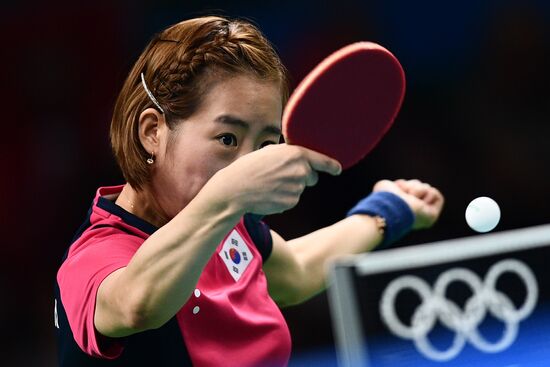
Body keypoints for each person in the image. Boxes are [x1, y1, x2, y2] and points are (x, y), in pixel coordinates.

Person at [54, 15, 444, 367]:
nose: (249, 165)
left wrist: (389, 210)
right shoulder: (95, 257)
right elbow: (138, 303)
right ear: (152, 132)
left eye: (264, 145)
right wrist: (229, 195)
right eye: (227, 138)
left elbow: (295, 271)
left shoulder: (226, 222)